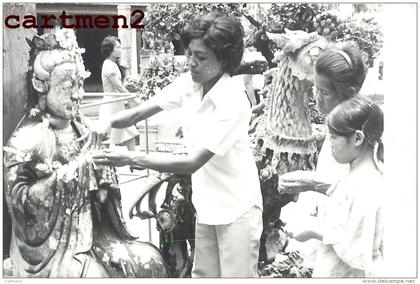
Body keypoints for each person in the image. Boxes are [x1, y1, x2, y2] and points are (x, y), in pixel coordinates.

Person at [90, 13, 263, 277]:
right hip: (207, 204)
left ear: (225, 60)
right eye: (190, 53)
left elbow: (192, 162)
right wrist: (107, 122)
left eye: (201, 58)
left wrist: (129, 158)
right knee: (203, 276)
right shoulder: (189, 84)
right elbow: (140, 112)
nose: (191, 63)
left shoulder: (233, 101)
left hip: (238, 208)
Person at [3, 29, 167, 277]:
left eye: (80, 84)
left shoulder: (84, 128)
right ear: (41, 85)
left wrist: (103, 175)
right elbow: (21, 206)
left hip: (95, 233)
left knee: (149, 260)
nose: (78, 94)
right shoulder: (29, 138)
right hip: (54, 249)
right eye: (68, 87)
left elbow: (102, 199)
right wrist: (75, 173)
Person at [277, 43, 368, 268]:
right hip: (327, 244)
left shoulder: (362, 136)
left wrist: (315, 185)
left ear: (349, 94)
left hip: (349, 255)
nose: (316, 98)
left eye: (324, 92)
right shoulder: (335, 126)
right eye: (315, 88)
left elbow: (362, 204)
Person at [284, 96, 384, 277]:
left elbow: (357, 250)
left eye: (334, 137)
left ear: (357, 138)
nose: (329, 143)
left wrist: (312, 230)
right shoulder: (353, 176)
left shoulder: (366, 185)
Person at [99, 36, 139, 151]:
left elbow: (121, 84)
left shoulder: (114, 64)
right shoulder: (108, 64)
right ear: (110, 50)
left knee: (127, 130)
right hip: (111, 103)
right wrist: (131, 97)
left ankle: (133, 160)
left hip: (117, 102)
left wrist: (125, 73)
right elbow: (117, 86)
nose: (120, 49)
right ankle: (102, 163)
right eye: (117, 47)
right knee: (106, 134)